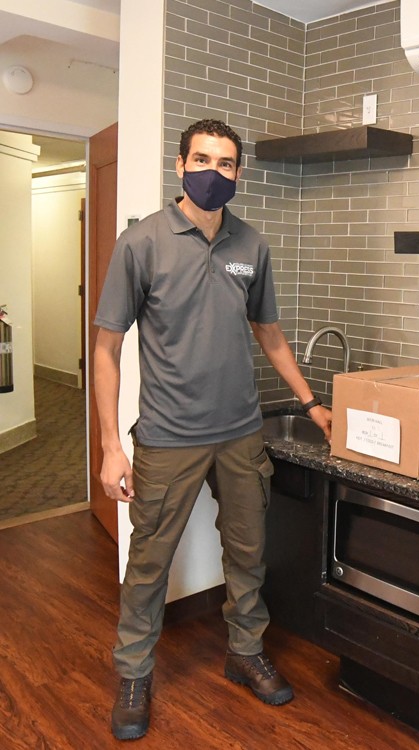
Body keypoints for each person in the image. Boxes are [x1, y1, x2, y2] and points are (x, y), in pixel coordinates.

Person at [93, 118, 332, 741]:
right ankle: (134, 673)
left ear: (238, 174)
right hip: (168, 438)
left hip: (241, 433)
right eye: (202, 160)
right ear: (179, 164)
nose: (213, 172)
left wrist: (312, 404)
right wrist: (110, 446)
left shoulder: (251, 246)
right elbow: (107, 348)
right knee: (149, 563)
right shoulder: (141, 242)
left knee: (249, 554)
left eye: (226, 164)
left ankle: (244, 652)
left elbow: (270, 334)